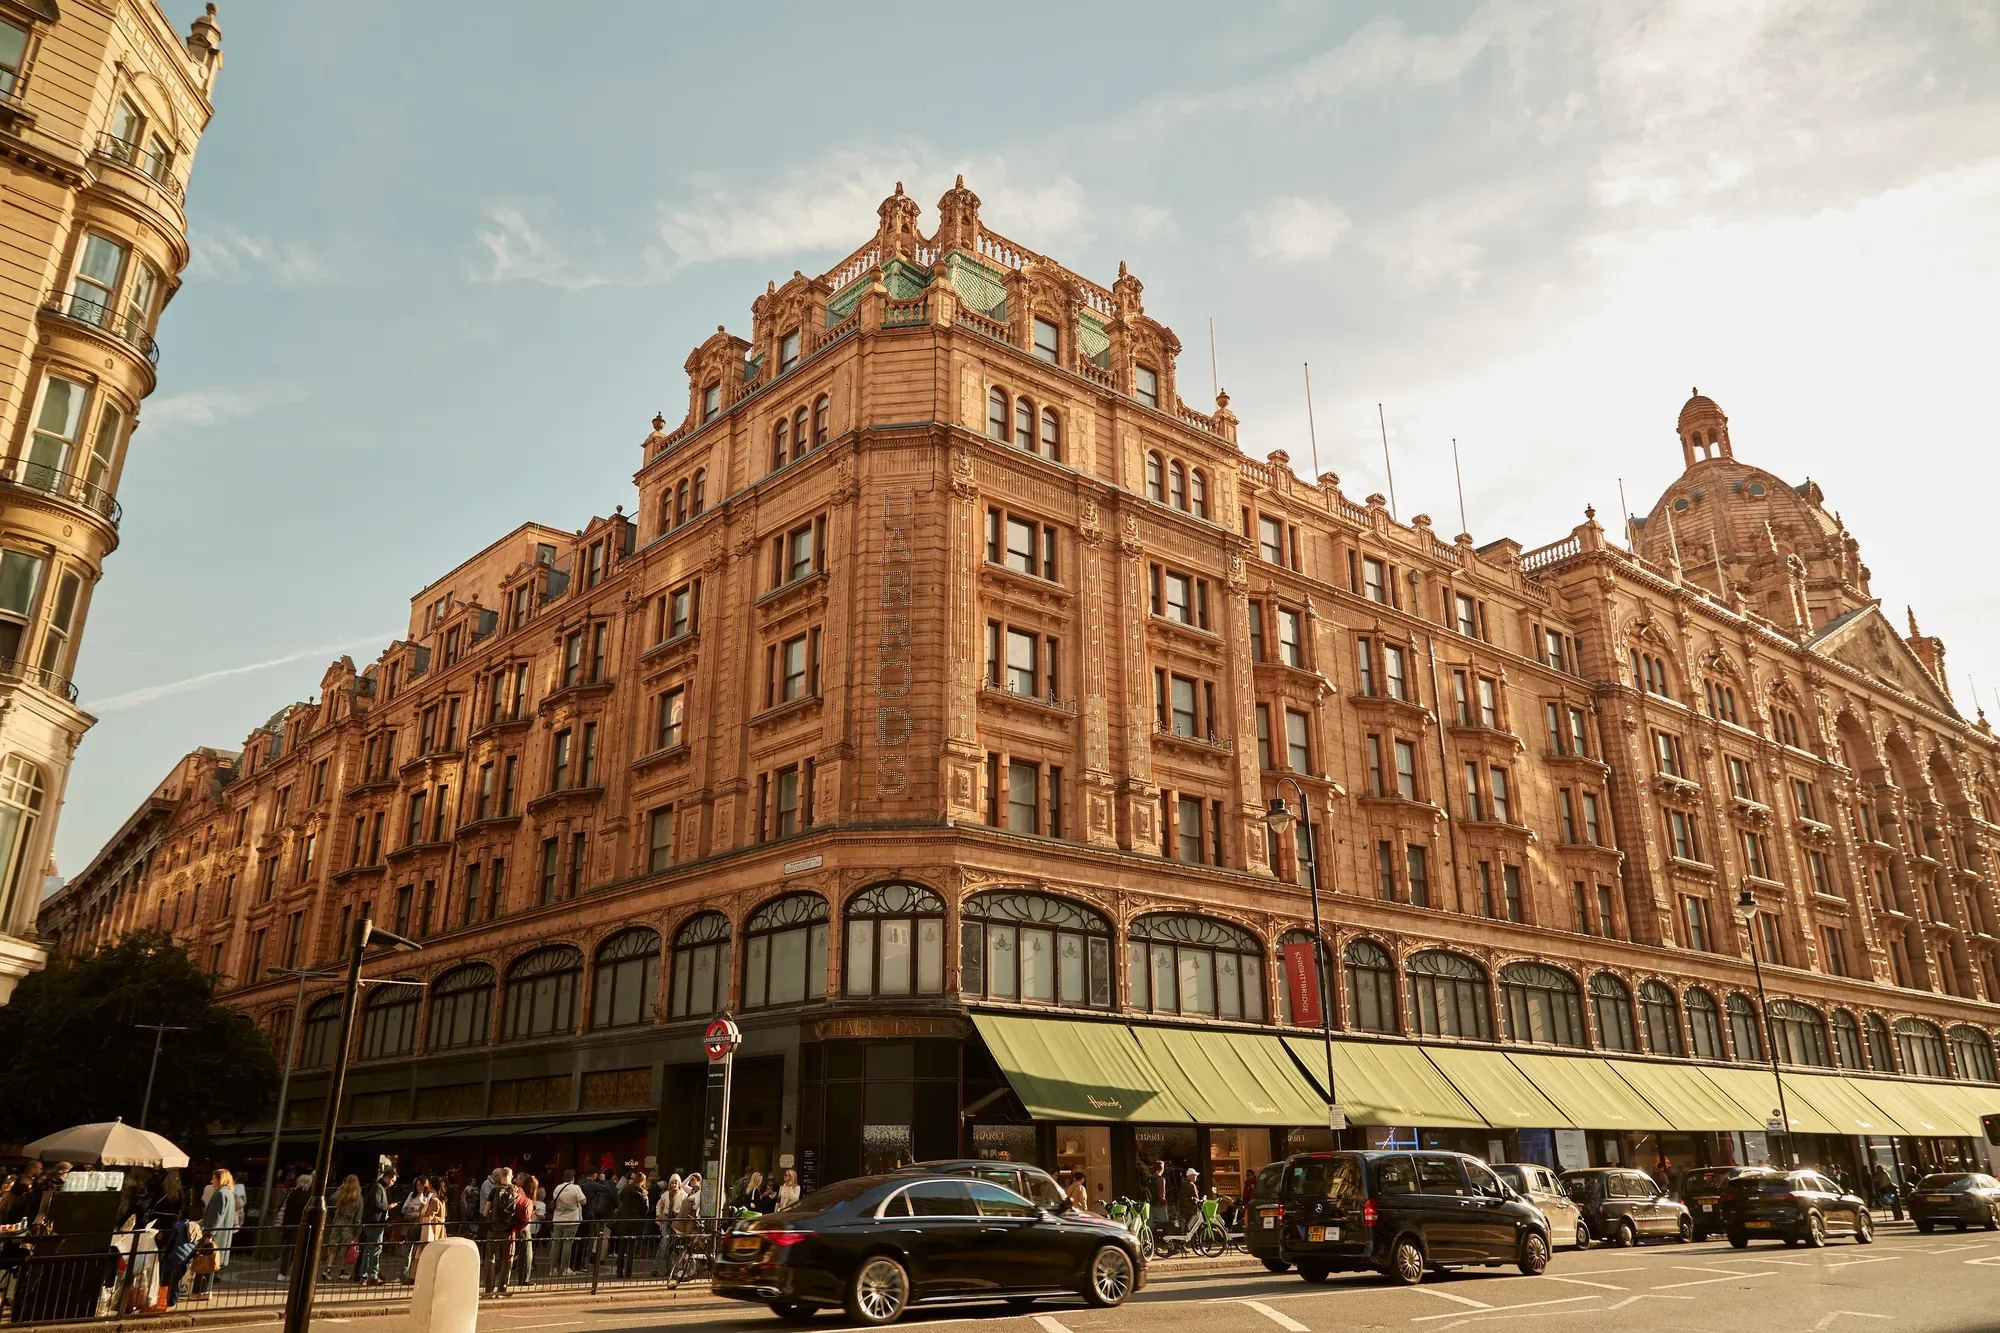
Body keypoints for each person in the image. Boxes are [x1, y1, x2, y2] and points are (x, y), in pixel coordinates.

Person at [484, 1167, 523, 1296]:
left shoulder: (495, 1190)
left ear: (500, 1176)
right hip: (509, 1230)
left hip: (493, 1229)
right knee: (508, 1258)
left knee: (490, 1258)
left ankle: (489, 1289)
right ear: (511, 1176)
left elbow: (485, 1212)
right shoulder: (517, 1191)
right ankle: (503, 1287)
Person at [356, 1166, 395, 1285]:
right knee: (374, 1249)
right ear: (387, 1178)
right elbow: (376, 1204)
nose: (392, 1183)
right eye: (392, 1180)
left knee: (372, 1249)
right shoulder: (378, 1187)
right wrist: (388, 1207)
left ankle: (368, 1276)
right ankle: (370, 1276)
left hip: (375, 1221)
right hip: (374, 1222)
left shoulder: (378, 1187)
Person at [324, 1175, 363, 1282]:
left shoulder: (342, 1194)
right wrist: (357, 1231)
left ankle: (328, 1269)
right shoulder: (358, 1198)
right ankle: (342, 1271)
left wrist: (340, 1188)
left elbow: (331, 1199)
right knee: (344, 1248)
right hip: (349, 1225)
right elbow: (358, 1216)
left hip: (337, 1222)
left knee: (333, 1246)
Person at [276, 1173, 312, 1277]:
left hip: (288, 1225)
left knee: (288, 1250)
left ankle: (282, 1272)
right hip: (301, 1226)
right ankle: (297, 1273)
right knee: (299, 1250)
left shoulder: (291, 1194)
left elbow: (281, 1208)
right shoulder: (307, 1197)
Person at [550, 1169, 586, 1275]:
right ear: (573, 1178)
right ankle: (565, 1268)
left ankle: (553, 1269)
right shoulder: (576, 1188)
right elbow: (583, 1201)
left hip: (558, 1219)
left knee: (556, 1244)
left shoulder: (558, 1188)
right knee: (567, 1244)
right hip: (571, 1219)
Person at [613, 1170, 648, 1278]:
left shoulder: (627, 1189)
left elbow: (621, 1198)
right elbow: (646, 1209)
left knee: (621, 1246)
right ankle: (629, 1271)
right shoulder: (643, 1193)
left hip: (624, 1219)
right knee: (631, 1248)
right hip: (635, 1221)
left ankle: (619, 1271)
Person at [650, 1174, 682, 1276]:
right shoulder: (665, 1195)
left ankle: (671, 1270)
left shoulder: (683, 1195)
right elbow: (659, 1206)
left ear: (679, 1184)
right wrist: (659, 1217)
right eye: (672, 1182)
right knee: (663, 1245)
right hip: (667, 1221)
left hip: (677, 1222)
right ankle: (655, 1268)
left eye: (676, 1182)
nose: (674, 1185)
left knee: (674, 1248)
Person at [513, 1175, 540, 1287]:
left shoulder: (516, 1193)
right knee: (527, 1254)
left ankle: (522, 1278)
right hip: (524, 1228)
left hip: (516, 1226)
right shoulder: (526, 1197)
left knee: (520, 1254)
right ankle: (524, 1278)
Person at [1146, 1161, 1170, 1237]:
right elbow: (1161, 1194)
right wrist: (1165, 1203)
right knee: (1165, 1224)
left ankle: (1148, 1242)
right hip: (1159, 1205)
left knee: (1149, 1225)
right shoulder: (1161, 1179)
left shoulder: (1150, 1179)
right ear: (1162, 1169)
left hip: (1150, 1205)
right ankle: (1168, 1244)